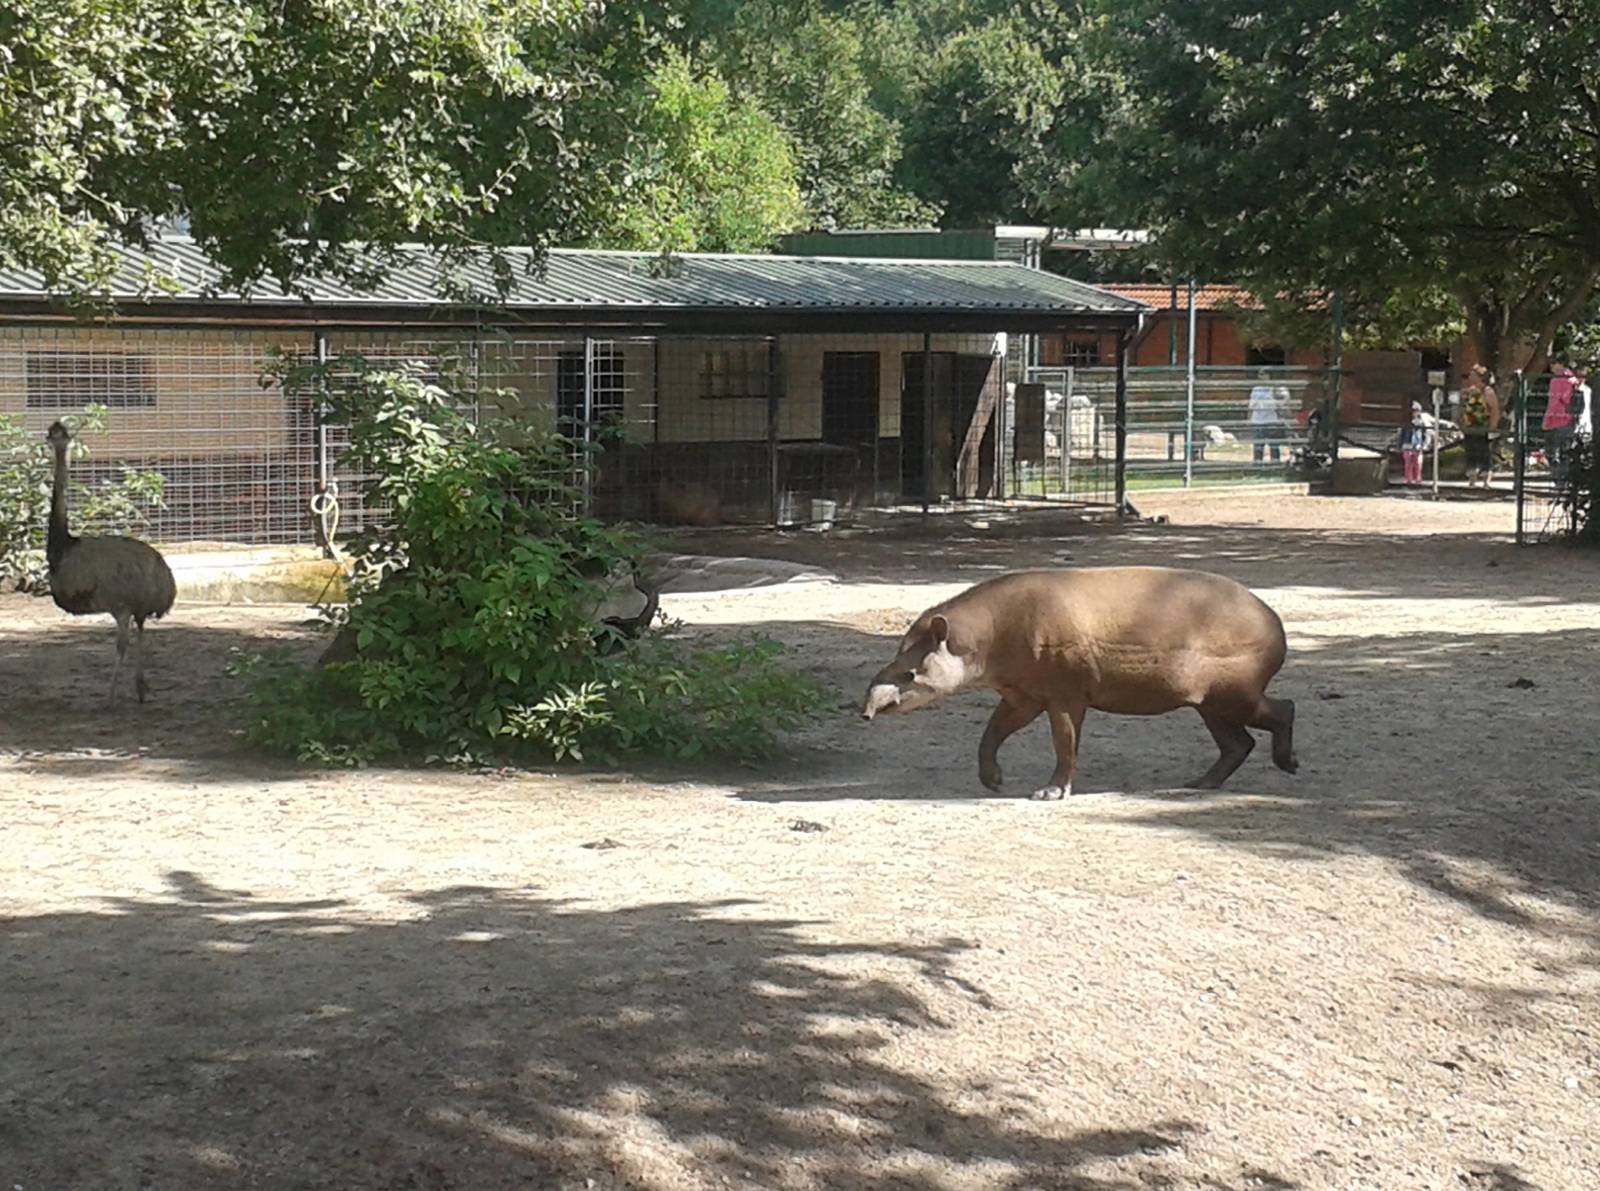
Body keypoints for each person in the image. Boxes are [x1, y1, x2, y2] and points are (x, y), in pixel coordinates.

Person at [1458, 363, 1500, 487]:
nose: (1470, 377)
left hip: (1483, 426)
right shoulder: (1468, 391)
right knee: (1470, 452)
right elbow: (1462, 407)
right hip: (1469, 426)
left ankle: (1486, 480)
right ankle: (1472, 479)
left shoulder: (1487, 391)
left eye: (1473, 374)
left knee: (1484, 452)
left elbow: (1494, 409)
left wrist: (1493, 425)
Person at [1544, 361, 1577, 485]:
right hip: (1570, 419)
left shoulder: (1556, 381)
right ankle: (1565, 480)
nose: (1551, 367)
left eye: (1553, 364)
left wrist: (1546, 422)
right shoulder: (1572, 378)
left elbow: (1553, 402)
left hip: (1556, 421)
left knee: (1550, 452)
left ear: (1560, 364)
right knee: (1566, 453)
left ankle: (1558, 479)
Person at [1247, 369, 1289, 464]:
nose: (1262, 376)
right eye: (1260, 374)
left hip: (1271, 420)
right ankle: (1257, 464)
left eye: (1264, 374)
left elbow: (1282, 402)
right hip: (1257, 421)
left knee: (1274, 445)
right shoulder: (1256, 389)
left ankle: (1275, 463)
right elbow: (1251, 405)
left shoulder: (1275, 388)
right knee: (1258, 445)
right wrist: (1249, 418)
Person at [1398, 400, 1427, 486]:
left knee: (1418, 463)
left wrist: (1423, 444)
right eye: (1414, 411)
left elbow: (1424, 434)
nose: (1415, 413)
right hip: (1407, 444)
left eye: (1417, 411)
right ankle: (1408, 479)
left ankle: (1417, 479)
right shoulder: (1406, 422)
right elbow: (1402, 433)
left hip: (1417, 445)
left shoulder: (1421, 423)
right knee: (1408, 464)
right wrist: (1401, 444)